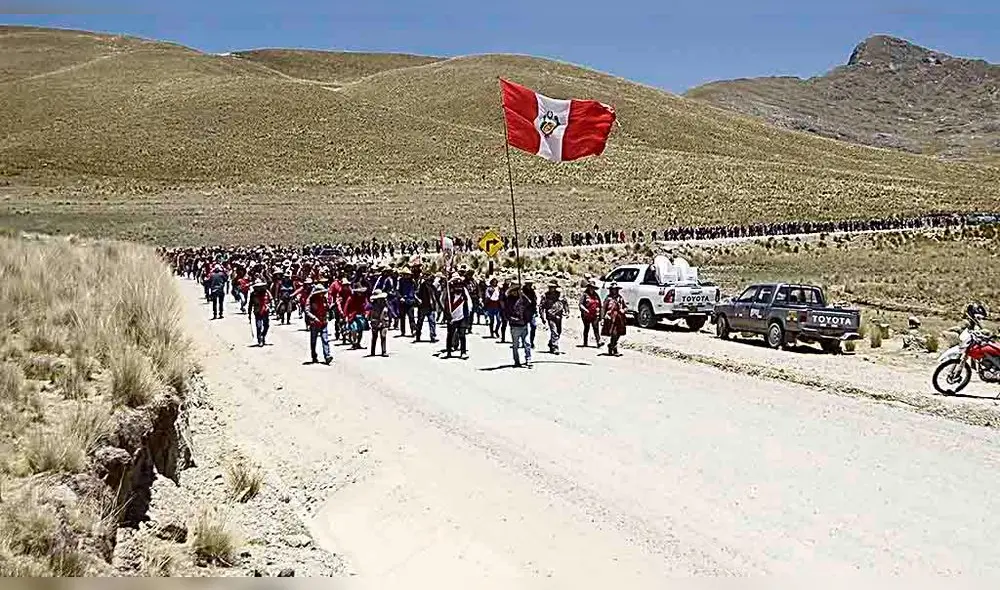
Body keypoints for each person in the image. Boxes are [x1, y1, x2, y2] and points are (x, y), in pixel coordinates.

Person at [505, 283, 532, 368]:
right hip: (515, 326)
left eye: (517, 291)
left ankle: (528, 360)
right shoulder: (509, 301)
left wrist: (523, 295)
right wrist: (513, 319)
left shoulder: (522, 299)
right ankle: (516, 361)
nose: (516, 293)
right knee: (515, 345)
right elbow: (507, 314)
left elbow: (529, 303)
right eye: (515, 291)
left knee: (527, 343)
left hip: (524, 324)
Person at [305, 284, 333, 364]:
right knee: (313, 341)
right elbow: (307, 311)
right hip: (314, 323)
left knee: (325, 339)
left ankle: (327, 356)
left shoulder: (324, 299)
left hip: (323, 322)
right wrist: (314, 318)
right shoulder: (310, 300)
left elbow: (327, 309)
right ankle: (314, 356)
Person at [539, 280, 568, 354]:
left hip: (559, 316)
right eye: (551, 287)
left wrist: (567, 311)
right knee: (554, 331)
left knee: (559, 332)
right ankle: (555, 347)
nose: (552, 289)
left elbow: (565, 303)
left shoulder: (560, 295)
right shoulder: (545, 296)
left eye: (553, 287)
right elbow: (541, 307)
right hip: (550, 316)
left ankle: (551, 343)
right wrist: (542, 317)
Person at [444, 274, 469, 359]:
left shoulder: (464, 296)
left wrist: (467, 318)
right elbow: (446, 307)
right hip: (452, 318)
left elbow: (466, 307)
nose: (458, 288)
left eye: (460, 286)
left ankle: (463, 352)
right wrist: (448, 317)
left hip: (461, 318)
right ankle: (448, 351)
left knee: (462, 335)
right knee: (450, 335)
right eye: (457, 286)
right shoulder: (449, 296)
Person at [602, 282, 628, 356]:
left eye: (616, 289)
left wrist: (623, 310)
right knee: (614, 333)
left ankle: (611, 345)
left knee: (619, 333)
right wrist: (603, 318)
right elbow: (604, 308)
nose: (614, 291)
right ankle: (614, 348)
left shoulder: (620, 298)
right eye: (613, 289)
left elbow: (625, 307)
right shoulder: (608, 298)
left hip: (620, 319)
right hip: (611, 318)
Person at [414, 272, 439, 343]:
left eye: (432, 280)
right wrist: (418, 300)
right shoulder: (422, 286)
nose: (430, 282)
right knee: (420, 323)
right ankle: (418, 335)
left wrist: (441, 307)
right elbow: (415, 294)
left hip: (431, 308)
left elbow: (437, 298)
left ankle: (432, 336)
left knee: (432, 322)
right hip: (422, 307)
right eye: (429, 280)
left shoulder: (433, 287)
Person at [579, 280, 603, 347]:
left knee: (596, 328)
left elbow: (600, 305)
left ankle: (599, 342)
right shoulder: (584, 295)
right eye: (590, 287)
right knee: (587, 328)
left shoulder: (596, 295)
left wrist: (601, 315)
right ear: (588, 287)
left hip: (595, 315)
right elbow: (580, 304)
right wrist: (585, 310)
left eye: (593, 287)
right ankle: (585, 342)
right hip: (586, 315)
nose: (591, 288)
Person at [247, 280, 271, 347]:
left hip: (265, 311)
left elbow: (270, 299)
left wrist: (269, 305)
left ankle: (263, 336)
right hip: (257, 312)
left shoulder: (266, 293)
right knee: (259, 326)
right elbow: (250, 304)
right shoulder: (253, 294)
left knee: (266, 325)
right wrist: (249, 314)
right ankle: (259, 339)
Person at [367, 289, 391, 357]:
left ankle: (384, 351)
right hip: (375, 323)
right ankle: (372, 351)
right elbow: (369, 314)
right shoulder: (372, 306)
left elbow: (389, 312)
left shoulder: (385, 304)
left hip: (384, 322)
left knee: (383, 336)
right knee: (374, 337)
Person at [397, 268, 417, 337]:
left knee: (411, 317)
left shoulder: (413, 281)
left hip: (410, 301)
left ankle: (413, 330)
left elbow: (415, 290)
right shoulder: (400, 281)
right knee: (402, 317)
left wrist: (415, 298)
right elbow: (397, 291)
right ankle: (403, 331)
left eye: (408, 275)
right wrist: (401, 297)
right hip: (403, 301)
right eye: (405, 275)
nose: (407, 276)